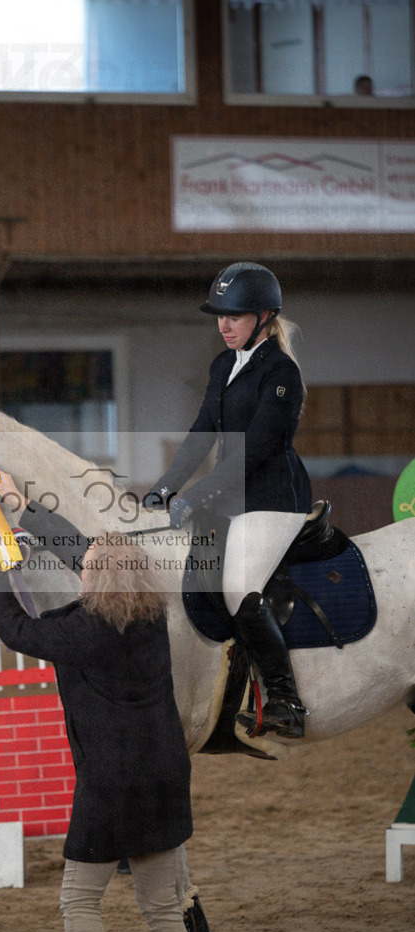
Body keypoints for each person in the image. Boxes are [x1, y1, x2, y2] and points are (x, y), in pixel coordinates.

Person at [0, 475, 199, 932]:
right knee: (162, 906)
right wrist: (20, 506)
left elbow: (16, 630)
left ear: (94, 577)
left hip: (110, 785)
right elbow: (90, 556)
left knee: (79, 902)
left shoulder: (83, 629)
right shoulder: (152, 617)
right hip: (166, 775)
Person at [145, 262, 312, 740]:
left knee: (239, 587)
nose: (223, 325)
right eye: (219, 316)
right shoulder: (223, 365)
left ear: (263, 316)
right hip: (230, 496)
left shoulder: (281, 373)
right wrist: (166, 485)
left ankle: (285, 700)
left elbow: (256, 450)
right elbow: (202, 433)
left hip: (273, 498)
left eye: (234, 317)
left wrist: (196, 494)